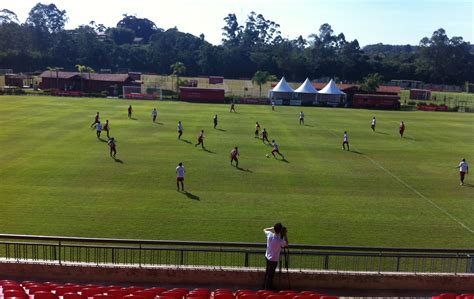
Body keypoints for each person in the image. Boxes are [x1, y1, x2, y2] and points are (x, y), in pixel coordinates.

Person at [263, 223, 288, 290]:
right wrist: (285, 235)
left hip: (267, 257)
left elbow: (264, 229)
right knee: (270, 275)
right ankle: (267, 289)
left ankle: (266, 287)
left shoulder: (269, 234)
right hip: (273, 260)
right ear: (280, 231)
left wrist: (271, 228)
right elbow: (286, 244)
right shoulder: (280, 241)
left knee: (268, 273)